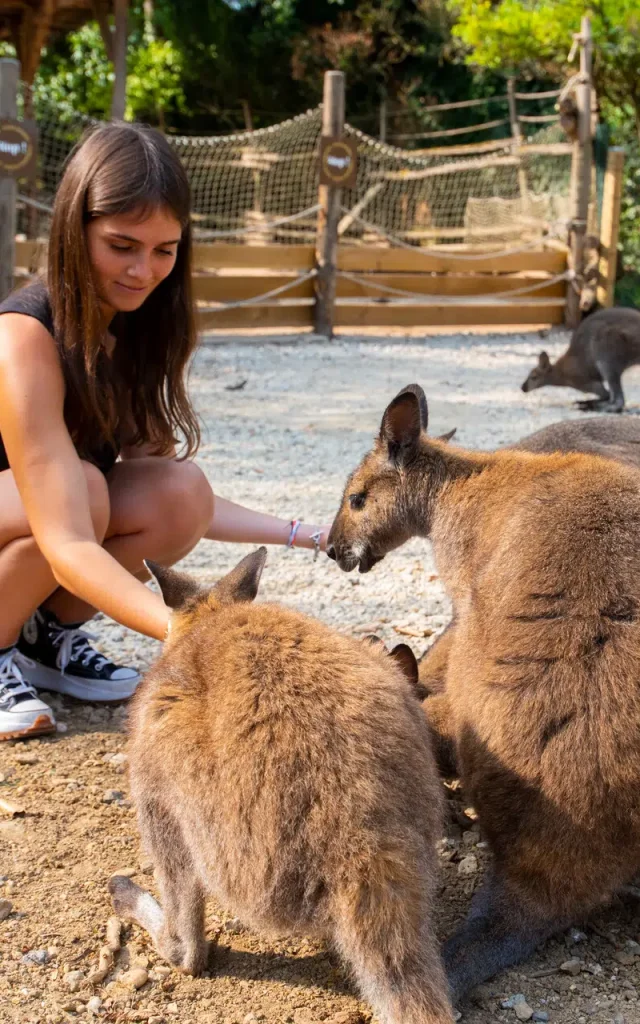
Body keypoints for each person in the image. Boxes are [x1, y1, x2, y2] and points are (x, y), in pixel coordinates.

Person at [0, 122, 328, 741]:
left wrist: (307, 534)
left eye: (163, 250)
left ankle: (47, 643)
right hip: (41, 517)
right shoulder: (24, 335)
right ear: (76, 229)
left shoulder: (136, 327)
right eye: (121, 245)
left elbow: (181, 502)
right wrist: (183, 627)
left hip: (48, 520)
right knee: (87, 492)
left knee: (176, 489)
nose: (143, 271)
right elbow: (67, 536)